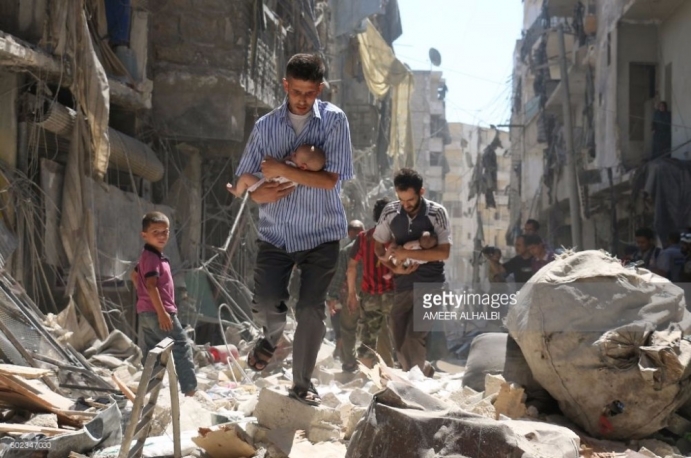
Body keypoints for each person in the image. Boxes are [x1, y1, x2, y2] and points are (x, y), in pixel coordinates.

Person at [233, 53, 353, 407]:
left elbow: (331, 180)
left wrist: (278, 170)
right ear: (286, 86)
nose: (302, 99)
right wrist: (259, 191)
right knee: (269, 301)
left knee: (310, 309)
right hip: (277, 234)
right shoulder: (265, 127)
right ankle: (270, 338)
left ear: (320, 89)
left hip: (322, 234)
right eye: (296, 91)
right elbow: (246, 177)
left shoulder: (334, 121)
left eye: (310, 93)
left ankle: (302, 382)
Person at [373, 168, 451, 377]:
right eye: (402, 200)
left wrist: (405, 252)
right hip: (403, 283)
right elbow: (378, 246)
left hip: (431, 283)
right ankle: (421, 370)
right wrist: (394, 267)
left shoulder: (437, 213)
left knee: (414, 336)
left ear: (421, 192)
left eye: (411, 200)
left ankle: (415, 384)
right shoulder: (390, 212)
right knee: (398, 335)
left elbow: (444, 252)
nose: (406, 205)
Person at [133, 212, 197, 397]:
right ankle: (190, 389)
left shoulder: (149, 256)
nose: (161, 236)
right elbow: (151, 286)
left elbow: (134, 275)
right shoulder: (152, 258)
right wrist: (162, 313)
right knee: (181, 344)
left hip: (146, 312)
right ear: (144, 235)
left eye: (165, 231)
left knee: (153, 352)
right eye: (155, 232)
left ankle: (148, 390)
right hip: (158, 312)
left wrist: (143, 296)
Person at [347, 198, 396, 369]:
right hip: (393, 295)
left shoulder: (363, 238)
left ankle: (366, 377)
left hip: (370, 295)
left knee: (368, 337)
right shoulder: (397, 238)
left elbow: (352, 267)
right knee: (398, 335)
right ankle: (394, 374)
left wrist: (352, 294)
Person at [326, 220, 364, 372]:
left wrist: (332, 296)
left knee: (348, 328)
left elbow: (339, 275)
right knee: (373, 327)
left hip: (351, 294)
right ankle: (373, 361)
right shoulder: (372, 247)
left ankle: (349, 362)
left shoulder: (345, 251)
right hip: (371, 293)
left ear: (349, 233)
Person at [227, 144, 326, 197]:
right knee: (247, 179)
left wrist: (278, 163)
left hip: (263, 184)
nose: (292, 154)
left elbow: (274, 174)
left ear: (303, 167)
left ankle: (237, 191)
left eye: (295, 155)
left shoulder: (291, 170)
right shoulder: (299, 178)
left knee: (245, 177)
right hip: (264, 184)